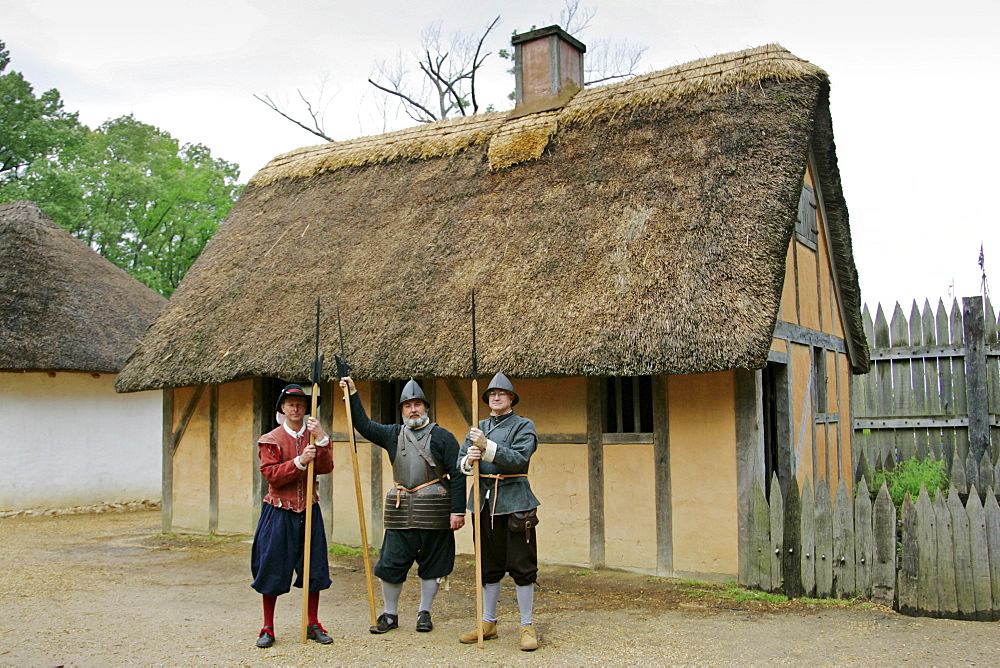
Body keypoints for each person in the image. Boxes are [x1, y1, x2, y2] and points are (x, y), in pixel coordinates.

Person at [339, 376, 466, 634]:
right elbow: (362, 424)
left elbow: (458, 474)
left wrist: (458, 510)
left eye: (418, 404)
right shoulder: (392, 435)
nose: (413, 409)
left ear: (426, 407)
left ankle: (424, 613)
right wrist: (352, 393)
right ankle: (390, 614)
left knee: (433, 565)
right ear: (402, 410)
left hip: (435, 510)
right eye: (408, 405)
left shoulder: (443, 437)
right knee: (391, 564)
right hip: (400, 510)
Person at [457, 372, 540, 651]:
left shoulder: (524, 426)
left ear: (511, 398)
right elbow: (460, 463)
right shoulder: (477, 426)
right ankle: (488, 622)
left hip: (515, 502)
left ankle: (526, 625)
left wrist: (486, 447)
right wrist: (469, 459)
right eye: (491, 394)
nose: (495, 398)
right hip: (483, 501)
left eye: (501, 394)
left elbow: (519, 458)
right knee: (488, 566)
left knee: (522, 566)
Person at [250, 384, 334, 648]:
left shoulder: (313, 437)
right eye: (290, 404)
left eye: (300, 405)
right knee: (272, 568)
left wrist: (321, 442)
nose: (296, 409)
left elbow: (326, 468)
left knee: (314, 568)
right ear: (282, 408)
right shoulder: (270, 439)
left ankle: (312, 623)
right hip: (279, 511)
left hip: (309, 508)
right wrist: (299, 461)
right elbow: (271, 475)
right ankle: (267, 626)